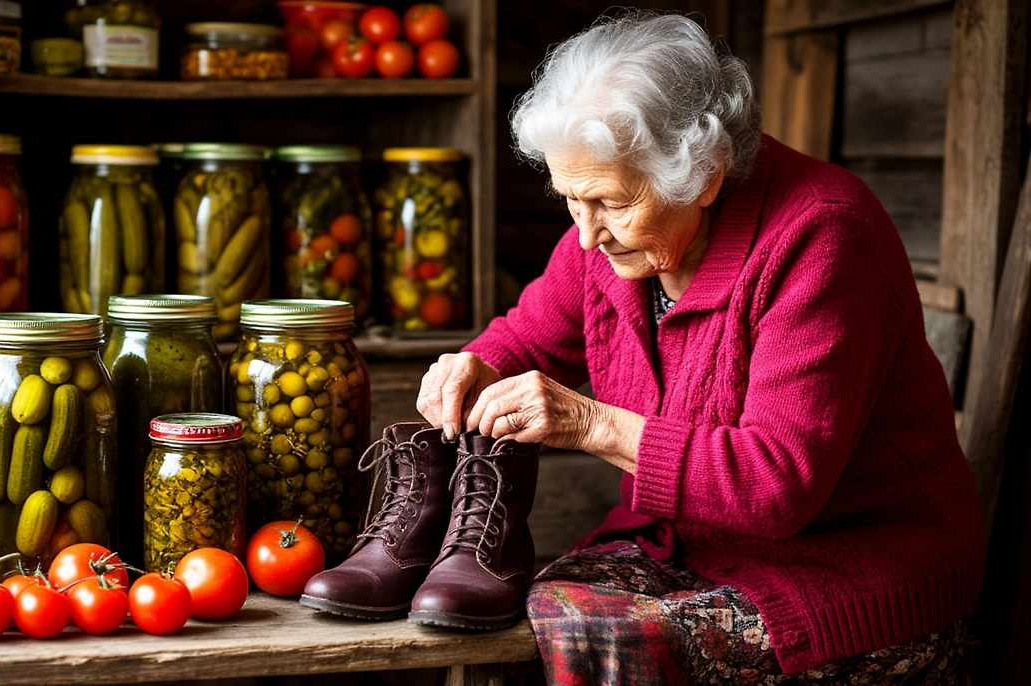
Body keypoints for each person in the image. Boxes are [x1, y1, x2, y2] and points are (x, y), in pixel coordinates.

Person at [415, 10, 985, 684]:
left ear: (707, 174)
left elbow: (775, 486)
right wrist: (471, 365)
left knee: (586, 636)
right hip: (689, 548)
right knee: (513, 620)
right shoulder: (609, 239)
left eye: (608, 202)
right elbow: (527, 334)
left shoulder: (823, 236)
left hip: (849, 575)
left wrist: (589, 422)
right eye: (570, 199)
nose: (588, 234)